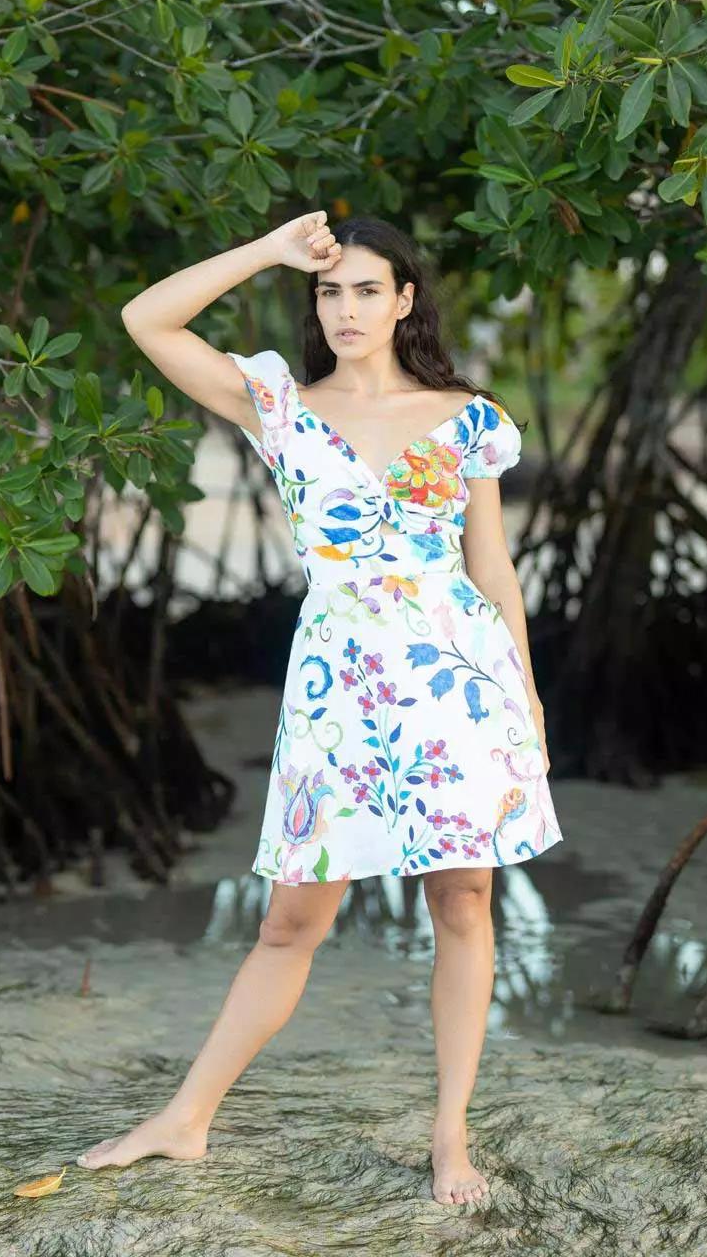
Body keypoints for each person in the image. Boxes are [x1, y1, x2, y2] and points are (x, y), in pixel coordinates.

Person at [77, 210, 563, 1206]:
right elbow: (146, 319)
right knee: (290, 920)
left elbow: (492, 568)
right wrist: (267, 250)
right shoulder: (279, 406)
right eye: (330, 292)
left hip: (458, 687)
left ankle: (450, 1135)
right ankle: (186, 1117)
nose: (346, 309)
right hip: (338, 688)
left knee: (462, 902)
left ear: (404, 300)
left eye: (367, 290)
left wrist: (528, 696)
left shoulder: (468, 419)